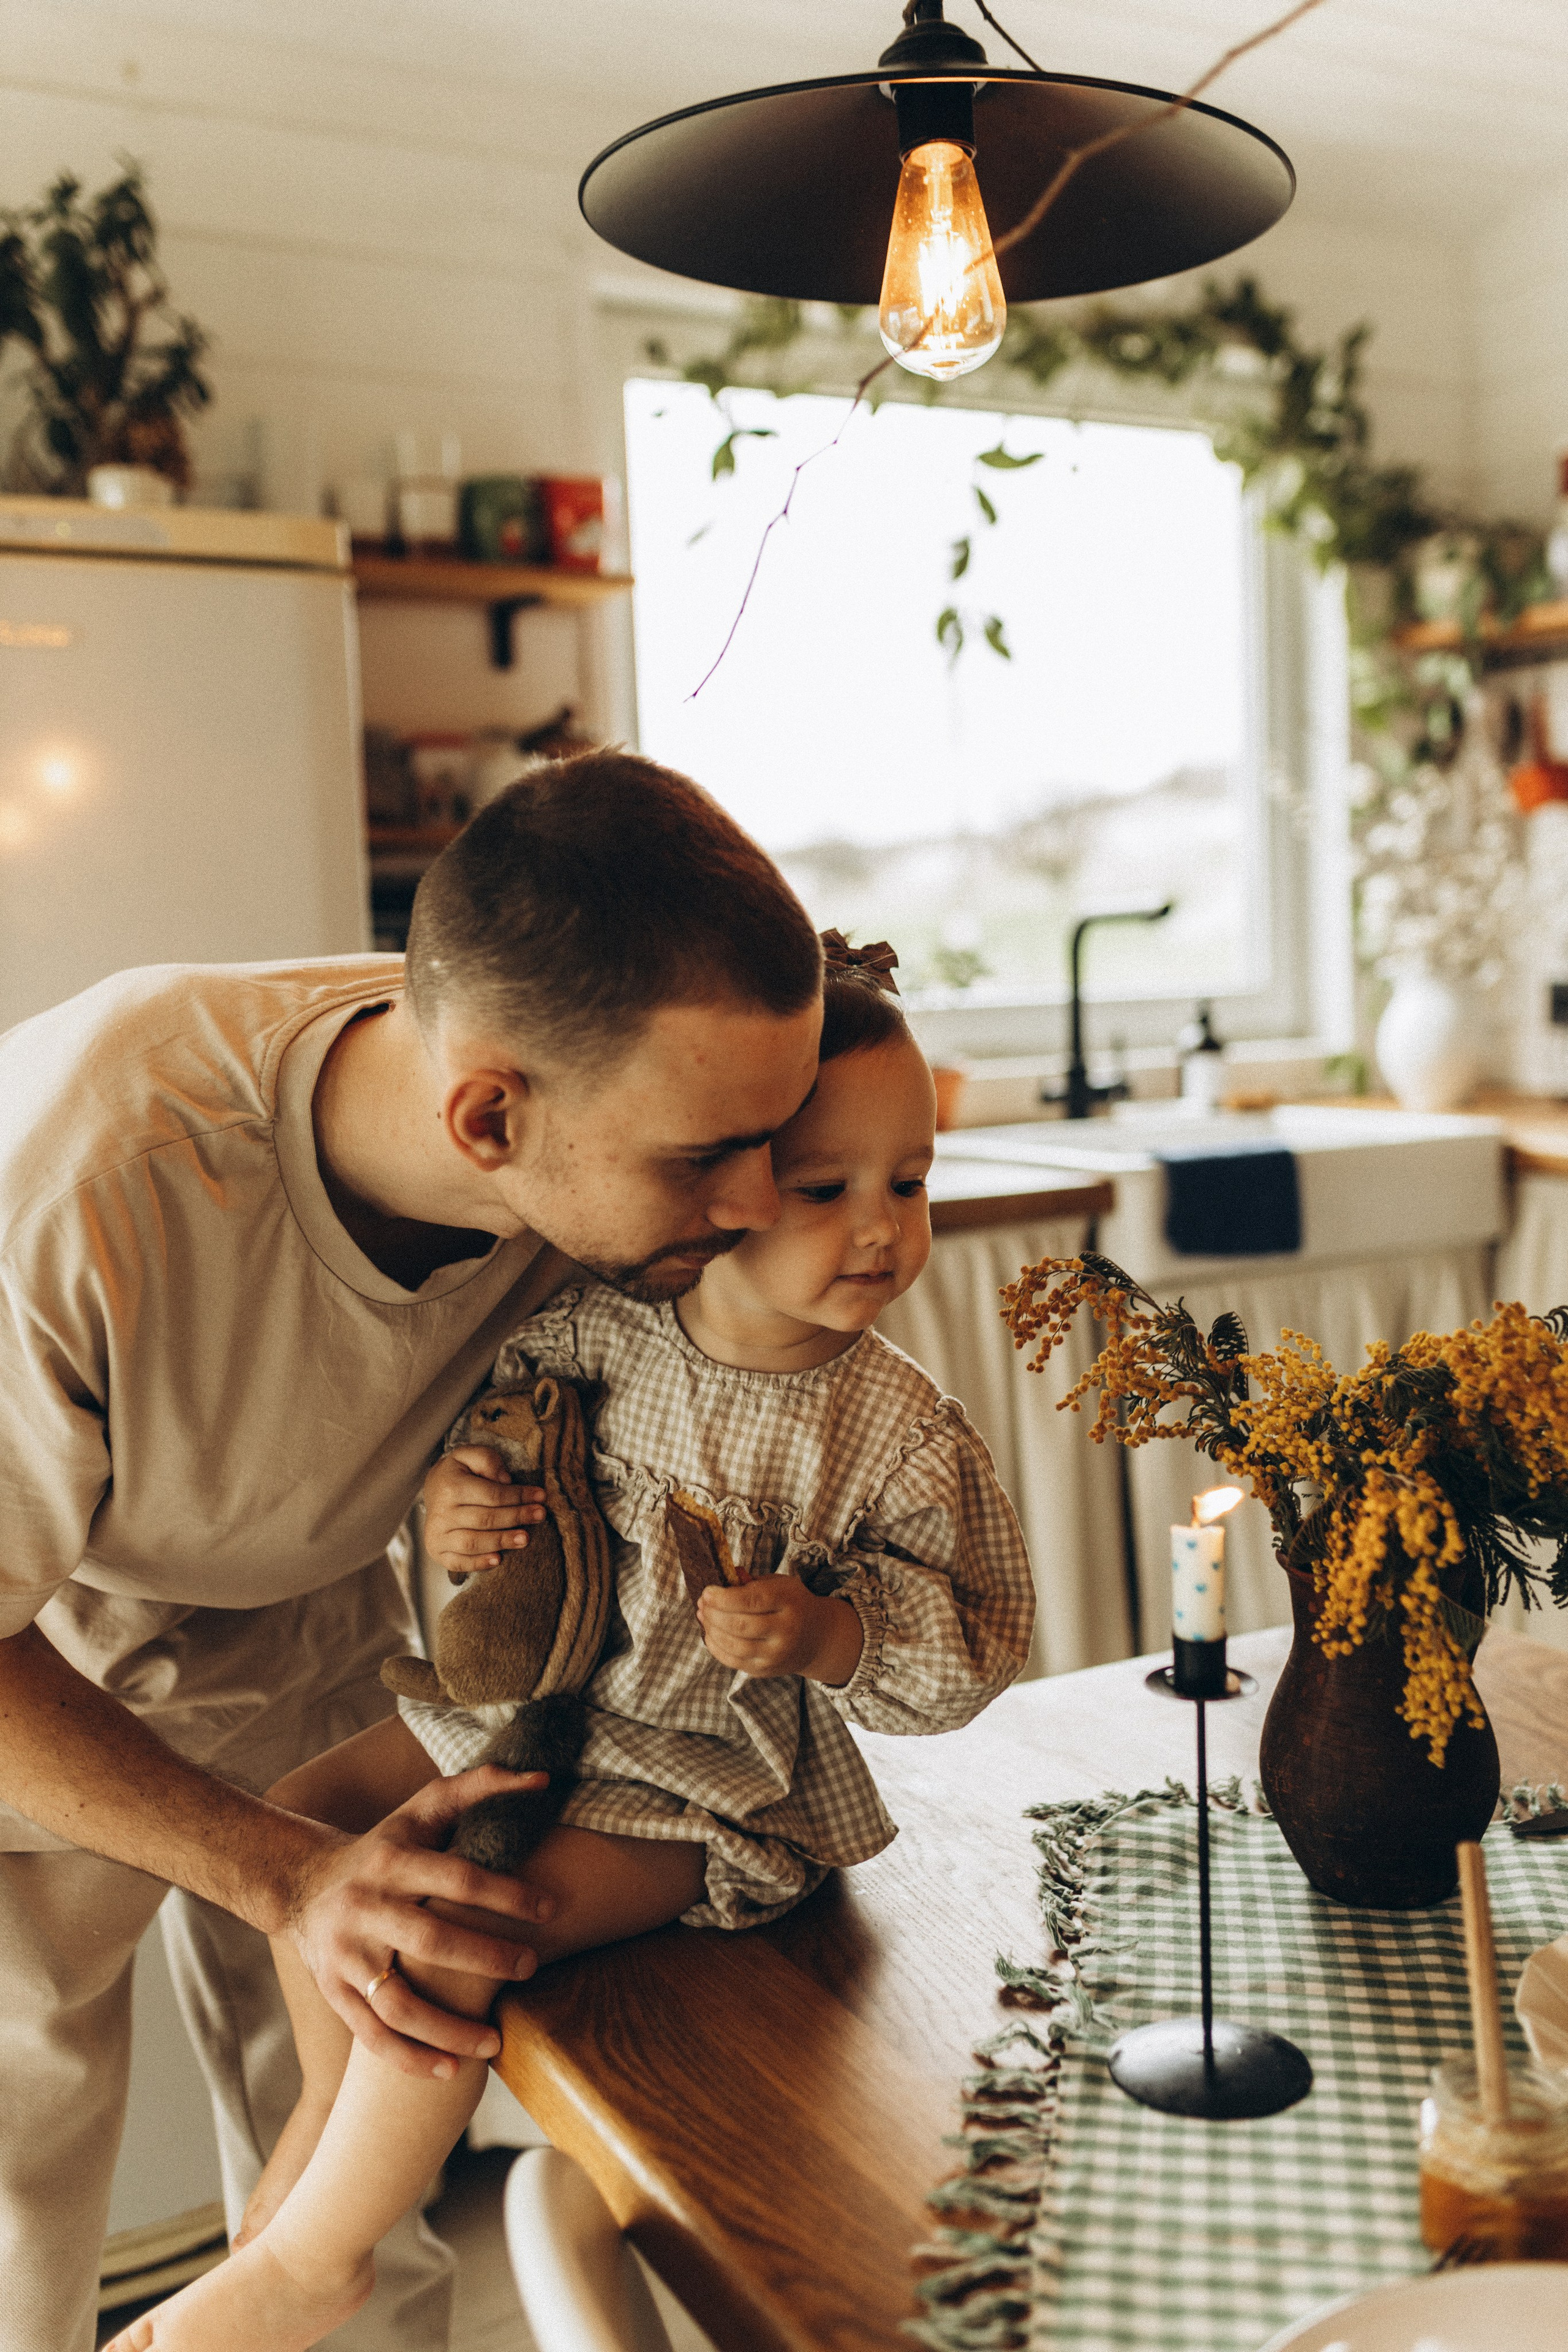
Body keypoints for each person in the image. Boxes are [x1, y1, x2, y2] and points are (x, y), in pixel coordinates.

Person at [0, 749, 827, 2352]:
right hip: (34, 1655)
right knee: (23, 2164)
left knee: (359, 2174)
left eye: (768, 1139)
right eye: (702, 1160)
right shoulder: (94, 1179)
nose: (750, 1205)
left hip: (304, 1611)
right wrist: (284, 1872)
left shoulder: (591, 1107)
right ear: (489, 1118)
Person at [107, 938, 1036, 2352]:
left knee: (464, 1912)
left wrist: (833, 1632)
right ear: (726, 1182)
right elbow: (486, 1449)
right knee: (304, 1827)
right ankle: (328, 2138)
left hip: (693, 1781)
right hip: (518, 1713)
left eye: (909, 1183)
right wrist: (458, 1500)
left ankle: (313, 2259)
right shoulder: (600, 1325)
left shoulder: (896, 1432)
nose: (879, 1230)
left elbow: (976, 1649)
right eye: (824, 1187)